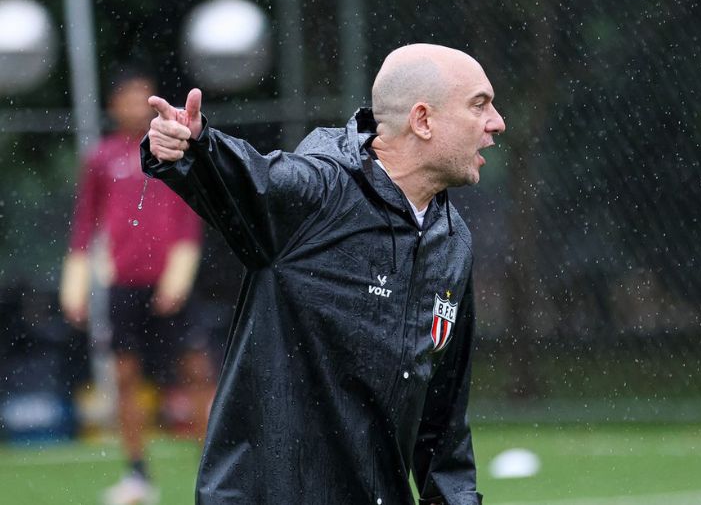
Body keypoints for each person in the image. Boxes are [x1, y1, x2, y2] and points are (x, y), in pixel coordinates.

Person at [142, 43, 505, 505]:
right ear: (423, 120)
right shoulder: (316, 194)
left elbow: (442, 420)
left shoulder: (452, 242)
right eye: (480, 104)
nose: (497, 122)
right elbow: (242, 175)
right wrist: (190, 149)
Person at [59, 70, 212, 505]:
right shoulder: (101, 158)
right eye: (125, 98)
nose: (133, 105)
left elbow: (189, 215)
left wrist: (178, 279)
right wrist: (75, 287)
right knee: (124, 378)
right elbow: (85, 224)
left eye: (139, 98)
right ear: (113, 107)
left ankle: (214, 467)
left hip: (171, 287)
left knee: (198, 372)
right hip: (123, 287)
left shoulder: (172, 151)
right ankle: (138, 476)